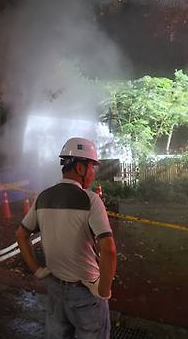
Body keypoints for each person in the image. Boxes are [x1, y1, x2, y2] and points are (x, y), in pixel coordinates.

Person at [16, 137, 117, 339]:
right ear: (80, 168)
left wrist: (36, 269)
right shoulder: (91, 200)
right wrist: (103, 290)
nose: (93, 173)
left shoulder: (43, 197)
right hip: (85, 294)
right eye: (91, 167)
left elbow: (21, 235)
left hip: (54, 289)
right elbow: (109, 250)